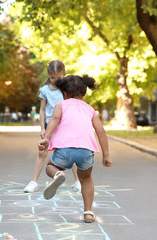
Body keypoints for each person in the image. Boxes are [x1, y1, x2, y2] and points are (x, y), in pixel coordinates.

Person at [38, 75, 112, 223]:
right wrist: (106, 155)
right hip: (85, 151)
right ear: (84, 92)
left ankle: (58, 174)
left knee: (50, 167)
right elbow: (101, 131)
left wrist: (46, 138)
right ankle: (88, 213)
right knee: (85, 178)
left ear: (64, 93)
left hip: (64, 149)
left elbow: (54, 120)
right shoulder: (90, 110)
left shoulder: (61, 105)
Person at [24, 60, 81, 193]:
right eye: (52, 77)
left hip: (65, 125)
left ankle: (78, 182)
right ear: (48, 75)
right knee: (42, 153)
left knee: (71, 154)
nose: (55, 80)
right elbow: (42, 110)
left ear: (64, 74)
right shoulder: (44, 90)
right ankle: (34, 182)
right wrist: (42, 128)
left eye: (58, 77)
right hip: (49, 125)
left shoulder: (67, 89)